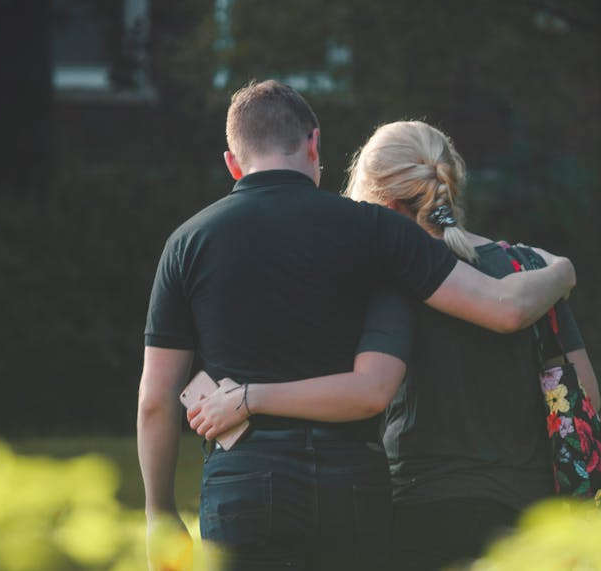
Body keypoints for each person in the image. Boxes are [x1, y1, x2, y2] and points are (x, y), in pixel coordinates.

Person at [138, 81, 575, 571]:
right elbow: (503, 309)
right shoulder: (375, 229)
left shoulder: (186, 243)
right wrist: (561, 270)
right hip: (351, 482)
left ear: (233, 163)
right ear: (314, 145)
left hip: (244, 481)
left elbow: (156, 400)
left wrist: (159, 512)